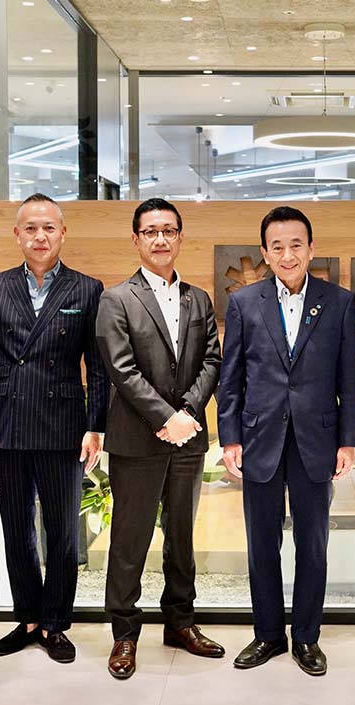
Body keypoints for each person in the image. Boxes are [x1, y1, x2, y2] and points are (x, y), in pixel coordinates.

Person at [217, 205, 355, 676]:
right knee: (261, 544)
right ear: (264, 252)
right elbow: (232, 377)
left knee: (313, 543)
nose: (287, 254)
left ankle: (306, 637)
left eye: (295, 244)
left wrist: (348, 440)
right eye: (276, 246)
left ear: (311, 248)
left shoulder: (338, 302)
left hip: (317, 440)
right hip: (259, 439)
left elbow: (348, 376)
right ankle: (267, 635)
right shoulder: (243, 302)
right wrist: (230, 437)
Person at [0, 193, 109, 662]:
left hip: (64, 426)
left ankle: (55, 622)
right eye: (30, 228)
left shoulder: (88, 289)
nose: (40, 236)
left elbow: (100, 367)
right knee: (15, 528)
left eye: (49, 227)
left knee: (63, 530)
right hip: (7, 425)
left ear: (63, 233)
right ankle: (27, 617)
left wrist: (96, 426)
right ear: (17, 234)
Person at [95, 197, 225, 679]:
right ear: (136, 239)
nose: (160, 239)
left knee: (182, 537)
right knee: (129, 539)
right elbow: (121, 369)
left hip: (187, 439)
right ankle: (125, 635)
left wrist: (188, 412)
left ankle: (180, 623)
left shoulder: (198, 298)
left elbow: (212, 359)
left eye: (169, 231)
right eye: (150, 231)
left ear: (180, 238)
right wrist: (164, 417)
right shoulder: (116, 299)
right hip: (138, 439)